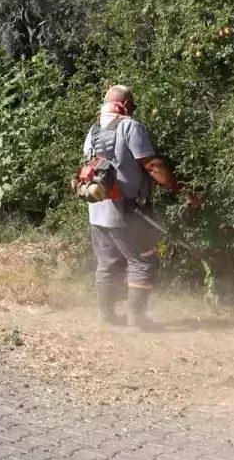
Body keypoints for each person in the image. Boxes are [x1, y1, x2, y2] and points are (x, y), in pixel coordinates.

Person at [77, 85, 200, 330]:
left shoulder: (93, 130)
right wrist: (183, 192)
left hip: (97, 212)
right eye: (132, 105)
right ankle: (137, 321)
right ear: (125, 104)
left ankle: (106, 317)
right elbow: (152, 165)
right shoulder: (130, 127)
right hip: (128, 212)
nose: (133, 109)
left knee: (107, 263)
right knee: (143, 262)